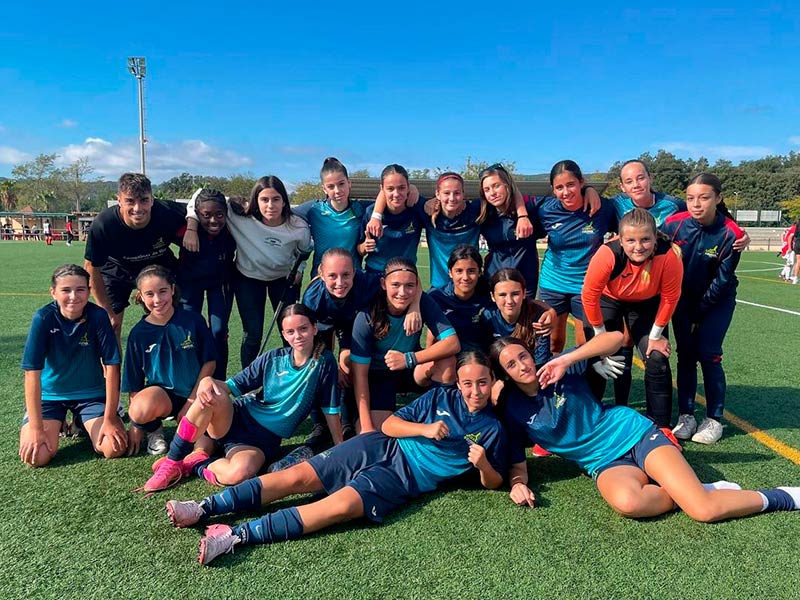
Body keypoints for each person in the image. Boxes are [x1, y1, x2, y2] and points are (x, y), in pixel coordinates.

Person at [163, 351, 508, 565]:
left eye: (482, 382)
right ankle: (204, 507)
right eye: (467, 383)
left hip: (405, 478)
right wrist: (425, 429)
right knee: (296, 478)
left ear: (493, 381)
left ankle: (235, 536)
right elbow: (389, 423)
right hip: (377, 444)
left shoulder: (493, 429)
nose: (474, 391)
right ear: (458, 383)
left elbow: (494, 483)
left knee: (337, 507)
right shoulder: (438, 398)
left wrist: (483, 466)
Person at [489, 334, 800, 523]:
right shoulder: (512, 410)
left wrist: (567, 359)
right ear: (503, 374)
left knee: (703, 511)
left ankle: (784, 497)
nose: (523, 366)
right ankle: (689, 489)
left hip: (631, 433)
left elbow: (614, 340)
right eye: (512, 365)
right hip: (602, 462)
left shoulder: (558, 369)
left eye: (523, 356)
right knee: (628, 503)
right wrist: (518, 483)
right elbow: (518, 463)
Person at [141, 303, 342, 493]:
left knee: (240, 474)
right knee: (209, 393)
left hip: (263, 439)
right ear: (283, 334)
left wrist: (342, 448)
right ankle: (172, 461)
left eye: (303, 328)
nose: (298, 336)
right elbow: (230, 386)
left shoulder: (324, 362)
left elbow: (330, 408)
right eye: (290, 331)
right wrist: (206, 381)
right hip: (236, 417)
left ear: (315, 328)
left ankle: (194, 464)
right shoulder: (273, 358)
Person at [184, 176, 312, 368]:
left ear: (284, 201)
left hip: (282, 280)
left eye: (276, 199)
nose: (270, 205)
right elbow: (198, 196)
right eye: (264, 199)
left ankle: (294, 375)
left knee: (289, 331)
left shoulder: (298, 227)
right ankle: (248, 381)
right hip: (248, 279)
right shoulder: (239, 216)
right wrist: (191, 227)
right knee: (253, 334)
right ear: (255, 201)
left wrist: (299, 269)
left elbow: (304, 252)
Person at [302, 247, 421, 446]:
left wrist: (415, 306)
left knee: (351, 366)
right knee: (322, 368)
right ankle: (320, 423)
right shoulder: (313, 299)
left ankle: (348, 420)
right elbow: (316, 341)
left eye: (346, 275)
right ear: (321, 274)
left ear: (355, 272)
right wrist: (331, 362)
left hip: (356, 328)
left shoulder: (366, 282)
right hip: (326, 330)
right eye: (332, 276)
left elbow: (409, 280)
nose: (340, 283)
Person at [581, 208, 683, 427]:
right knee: (598, 357)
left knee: (657, 356)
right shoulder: (607, 253)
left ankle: (661, 425)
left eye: (645, 239)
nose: (638, 247)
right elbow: (589, 296)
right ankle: (588, 420)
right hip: (609, 301)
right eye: (631, 240)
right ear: (620, 238)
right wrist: (600, 338)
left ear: (655, 237)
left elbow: (670, 297)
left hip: (647, 305)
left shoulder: (669, 256)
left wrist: (655, 336)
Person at [661, 174, 743, 444]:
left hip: (716, 302)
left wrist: (698, 314)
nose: (696, 204)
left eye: (704, 197)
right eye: (690, 198)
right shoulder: (674, 224)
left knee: (709, 355)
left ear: (718, 198)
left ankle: (714, 419)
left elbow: (722, 281)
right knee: (685, 356)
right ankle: (686, 415)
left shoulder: (731, 233)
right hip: (682, 302)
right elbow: (648, 244)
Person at [19, 264, 126, 466]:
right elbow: (31, 373)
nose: (73, 296)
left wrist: (110, 418)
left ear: (88, 291)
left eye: (80, 289)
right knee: (37, 457)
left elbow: (112, 366)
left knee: (114, 448)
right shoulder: (43, 318)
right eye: (66, 290)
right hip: (50, 398)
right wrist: (35, 427)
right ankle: (56, 422)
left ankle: (80, 422)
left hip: (90, 395)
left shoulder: (98, 316)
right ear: (53, 293)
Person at [350, 257, 460, 433]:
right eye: (396, 285)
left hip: (410, 368)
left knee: (447, 361)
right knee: (380, 429)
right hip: (378, 375)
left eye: (410, 286)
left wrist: (409, 359)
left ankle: (443, 416)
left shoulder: (422, 302)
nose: (402, 292)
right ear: (383, 284)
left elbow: (452, 343)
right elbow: (359, 375)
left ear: (417, 287)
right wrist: (366, 426)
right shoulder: (366, 317)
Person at [122, 265, 216, 456]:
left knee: (203, 448)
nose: (157, 300)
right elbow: (134, 381)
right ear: (140, 296)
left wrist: (191, 401)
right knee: (139, 408)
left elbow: (210, 362)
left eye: (162, 291)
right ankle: (155, 431)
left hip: (196, 393)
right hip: (163, 396)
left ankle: (190, 428)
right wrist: (137, 424)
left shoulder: (193, 321)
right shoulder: (138, 333)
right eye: (149, 294)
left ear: (172, 290)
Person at [84, 173, 187, 341]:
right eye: (130, 201)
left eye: (144, 200)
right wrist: (106, 311)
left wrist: (191, 229)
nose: (138, 208)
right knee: (111, 328)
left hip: (159, 266)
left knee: (175, 324)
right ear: (119, 200)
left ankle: (170, 364)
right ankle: (112, 368)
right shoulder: (104, 224)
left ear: (152, 199)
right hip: (116, 270)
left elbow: (198, 210)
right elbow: (91, 268)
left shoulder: (168, 212)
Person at [534, 160, 617, 353]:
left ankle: (582, 382)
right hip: (552, 283)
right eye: (559, 187)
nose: (566, 192)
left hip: (587, 285)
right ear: (553, 190)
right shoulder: (546, 210)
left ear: (581, 182)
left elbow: (625, 229)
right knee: (553, 342)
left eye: (571, 184)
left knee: (585, 343)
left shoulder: (602, 208)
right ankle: (553, 382)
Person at [177, 189, 236, 380]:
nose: (213, 220)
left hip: (220, 283)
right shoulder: (184, 227)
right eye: (206, 215)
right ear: (196, 213)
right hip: (190, 283)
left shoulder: (232, 228)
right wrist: (191, 228)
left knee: (218, 331)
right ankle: (192, 380)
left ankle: (219, 381)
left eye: (219, 214)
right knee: (189, 330)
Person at [293, 157, 370, 273]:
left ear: (349, 183)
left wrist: (376, 216)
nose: (337, 190)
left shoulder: (360, 208)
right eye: (331, 186)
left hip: (353, 279)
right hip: (321, 278)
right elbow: (282, 214)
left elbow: (387, 200)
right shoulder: (313, 209)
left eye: (341, 184)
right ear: (324, 189)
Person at [481, 268, 555, 365]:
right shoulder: (488, 317)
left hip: (531, 371)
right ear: (493, 296)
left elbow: (541, 361)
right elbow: (485, 355)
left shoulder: (538, 318)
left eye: (515, 294)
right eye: (502, 295)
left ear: (524, 293)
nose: (509, 301)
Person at [358, 164, 423, 274]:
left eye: (401, 188)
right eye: (390, 189)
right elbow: (359, 249)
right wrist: (365, 246)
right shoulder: (371, 212)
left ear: (408, 187)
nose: (396, 194)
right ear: (382, 189)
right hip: (375, 274)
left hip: (405, 274)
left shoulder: (417, 209)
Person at [428, 245, 494, 352]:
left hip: (478, 356)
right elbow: (431, 332)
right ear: (450, 272)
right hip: (447, 355)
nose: (465, 277)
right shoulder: (436, 296)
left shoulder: (489, 296)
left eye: (471, 271)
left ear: (480, 272)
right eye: (459, 271)